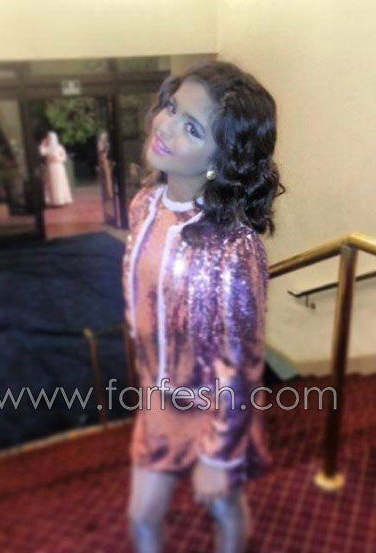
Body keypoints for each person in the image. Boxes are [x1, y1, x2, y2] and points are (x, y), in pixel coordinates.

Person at [122, 60, 286, 553]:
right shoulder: (144, 205)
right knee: (142, 516)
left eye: (192, 128)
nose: (166, 126)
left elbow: (242, 359)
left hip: (214, 406)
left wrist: (219, 454)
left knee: (223, 506)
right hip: (158, 400)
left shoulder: (234, 246)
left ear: (224, 158)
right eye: (172, 109)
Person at [38, 131, 74, 206]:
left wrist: (57, 159)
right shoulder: (47, 148)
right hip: (50, 168)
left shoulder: (59, 147)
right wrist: (43, 144)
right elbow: (41, 153)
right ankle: (53, 201)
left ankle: (62, 200)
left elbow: (64, 157)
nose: (50, 139)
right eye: (48, 138)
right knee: (51, 184)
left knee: (59, 183)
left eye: (51, 138)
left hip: (58, 167)